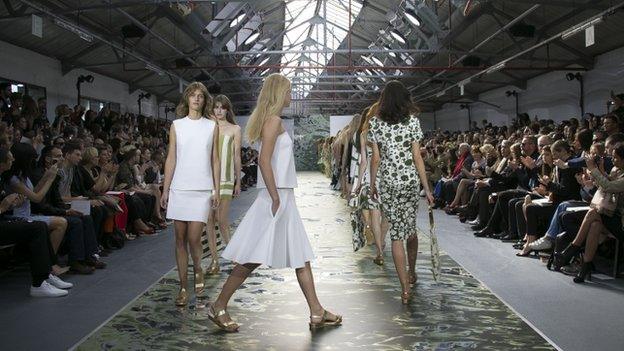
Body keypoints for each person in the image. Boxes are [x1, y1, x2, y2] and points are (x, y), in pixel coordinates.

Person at [210, 74, 341, 333]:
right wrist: (276, 196)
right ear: (279, 92)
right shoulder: (273, 121)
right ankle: (219, 305)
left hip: (280, 196)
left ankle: (316, 310)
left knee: (298, 253)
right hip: (275, 197)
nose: (292, 95)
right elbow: (264, 161)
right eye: (289, 90)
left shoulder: (270, 121)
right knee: (251, 257)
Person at [369, 80, 434, 305]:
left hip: (388, 183)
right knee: (410, 228)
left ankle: (404, 288)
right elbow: (417, 158)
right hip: (409, 182)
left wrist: (371, 184)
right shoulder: (412, 123)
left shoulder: (375, 124)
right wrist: (426, 188)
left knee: (396, 233)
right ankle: (412, 271)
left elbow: (375, 159)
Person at [160, 82, 221, 307]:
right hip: (179, 187)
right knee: (179, 239)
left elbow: (215, 159)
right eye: (193, 95)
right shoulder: (176, 125)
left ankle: (198, 268)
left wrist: (215, 189)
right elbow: (171, 158)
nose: (196, 99)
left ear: (205, 101)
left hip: (202, 189)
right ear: (187, 99)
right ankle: (183, 286)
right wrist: (165, 190)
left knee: (195, 238)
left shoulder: (211, 126)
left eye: (200, 96)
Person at [205, 94, 242, 275]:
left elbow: (236, 156)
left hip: (226, 179)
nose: (218, 111)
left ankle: (234, 255)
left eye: (222, 107)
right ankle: (214, 260)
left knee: (222, 220)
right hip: (207, 178)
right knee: (209, 221)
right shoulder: (208, 126)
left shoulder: (235, 129)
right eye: (216, 107)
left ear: (227, 109)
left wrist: (238, 180)